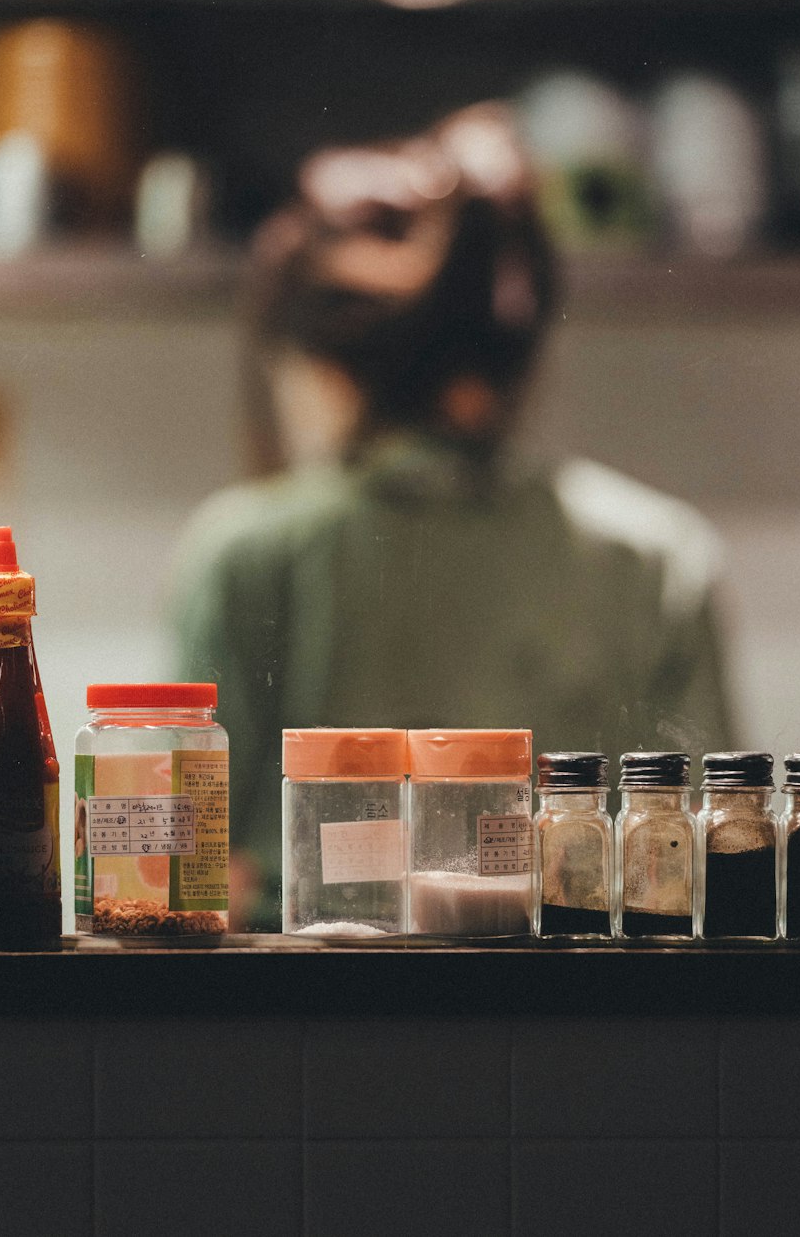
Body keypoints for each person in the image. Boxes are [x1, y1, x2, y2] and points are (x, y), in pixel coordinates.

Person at [171, 102, 736, 927]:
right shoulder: (657, 556)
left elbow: (192, 875)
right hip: (592, 1038)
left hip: (300, 1036)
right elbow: (706, 866)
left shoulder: (246, 551)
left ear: (327, 364)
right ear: (523, 354)